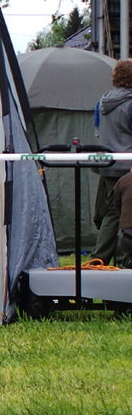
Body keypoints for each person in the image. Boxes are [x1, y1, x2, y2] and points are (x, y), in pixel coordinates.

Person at [92, 59, 132, 266]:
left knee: (111, 214)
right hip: (129, 167)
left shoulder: (102, 101)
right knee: (127, 215)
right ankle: (125, 259)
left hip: (108, 165)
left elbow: (97, 131)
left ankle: (99, 257)